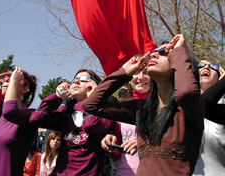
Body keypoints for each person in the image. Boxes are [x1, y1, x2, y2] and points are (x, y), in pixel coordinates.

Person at [82, 34, 205, 175]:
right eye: (154, 53)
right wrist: (123, 73)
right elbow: (91, 105)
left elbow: (186, 92)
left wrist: (179, 51)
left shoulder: (189, 108)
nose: (154, 56)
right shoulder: (141, 109)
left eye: (164, 53)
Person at [23, 69, 114, 175]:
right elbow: (36, 118)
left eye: (84, 79)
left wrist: (92, 99)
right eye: (75, 79)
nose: (76, 81)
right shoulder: (66, 111)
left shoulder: (105, 111)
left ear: (95, 85)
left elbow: (91, 124)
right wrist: (57, 96)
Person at [101, 65, 151, 176]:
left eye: (146, 72)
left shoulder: (165, 105)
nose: (140, 77)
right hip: (124, 172)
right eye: (136, 72)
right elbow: (117, 154)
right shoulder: (121, 107)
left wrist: (144, 144)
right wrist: (111, 145)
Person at [193, 59, 225, 175]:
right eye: (200, 65)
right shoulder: (179, 108)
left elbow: (203, 104)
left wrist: (221, 86)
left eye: (212, 66)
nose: (206, 67)